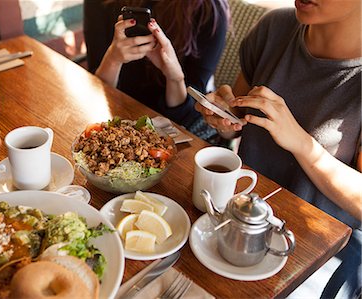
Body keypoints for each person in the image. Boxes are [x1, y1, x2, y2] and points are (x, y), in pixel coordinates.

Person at [195, 0, 361, 297]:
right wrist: (223, 117)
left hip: (319, 252)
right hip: (241, 219)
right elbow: (238, 115)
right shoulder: (274, 29)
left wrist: (302, 144)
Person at [83, 0, 230, 144]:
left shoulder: (209, 9)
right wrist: (113, 59)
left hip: (172, 131)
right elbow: (96, 93)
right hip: (112, 118)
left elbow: (188, 113)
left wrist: (175, 78)